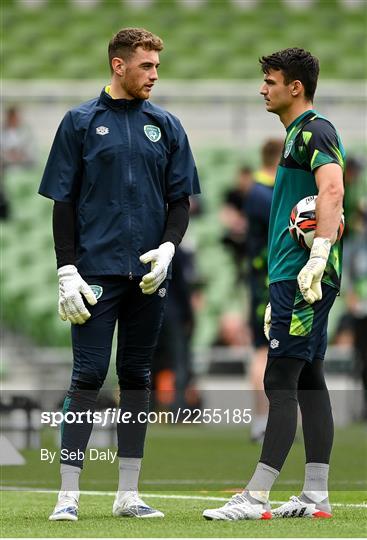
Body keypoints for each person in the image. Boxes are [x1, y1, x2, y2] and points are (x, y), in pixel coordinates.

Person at [38, 27, 200, 521]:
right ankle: (68, 493)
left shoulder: (166, 125)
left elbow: (181, 201)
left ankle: (128, 493)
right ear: (118, 65)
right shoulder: (79, 122)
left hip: (149, 276)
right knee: (87, 376)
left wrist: (170, 248)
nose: (154, 74)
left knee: (136, 377)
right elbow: (62, 202)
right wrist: (66, 268)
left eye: (156, 65)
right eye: (146, 66)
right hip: (94, 274)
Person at [203, 47, 345, 520]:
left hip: (302, 277)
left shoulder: (314, 130)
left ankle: (256, 496)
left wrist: (318, 254)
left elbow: (333, 189)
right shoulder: (295, 136)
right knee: (308, 378)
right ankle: (315, 495)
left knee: (279, 378)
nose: (263, 88)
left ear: (295, 87)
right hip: (297, 277)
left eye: (270, 80)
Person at [243, 139, 283, 442]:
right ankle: (262, 420)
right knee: (264, 350)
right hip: (266, 282)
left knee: (274, 350)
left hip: (268, 279)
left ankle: (274, 420)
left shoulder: (262, 191)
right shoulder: (262, 193)